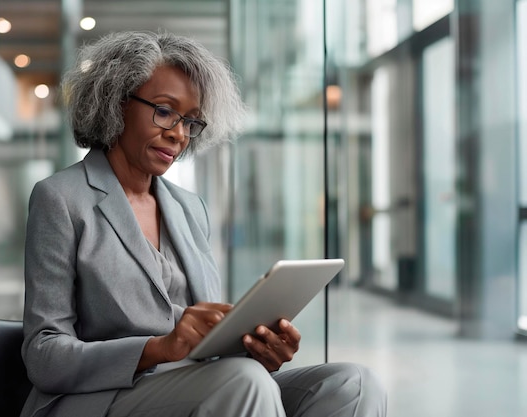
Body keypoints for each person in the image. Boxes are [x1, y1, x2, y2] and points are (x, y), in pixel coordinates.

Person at [20, 30, 387, 417]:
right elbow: (44, 356)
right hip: (103, 399)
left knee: (353, 384)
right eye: (164, 110)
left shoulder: (189, 207)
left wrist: (254, 346)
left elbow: (206, 337)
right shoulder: (60, 198)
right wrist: (159, 348)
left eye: (191, 122)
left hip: (201, 383)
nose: (178, 134)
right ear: (117, 103)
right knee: (244, 383)